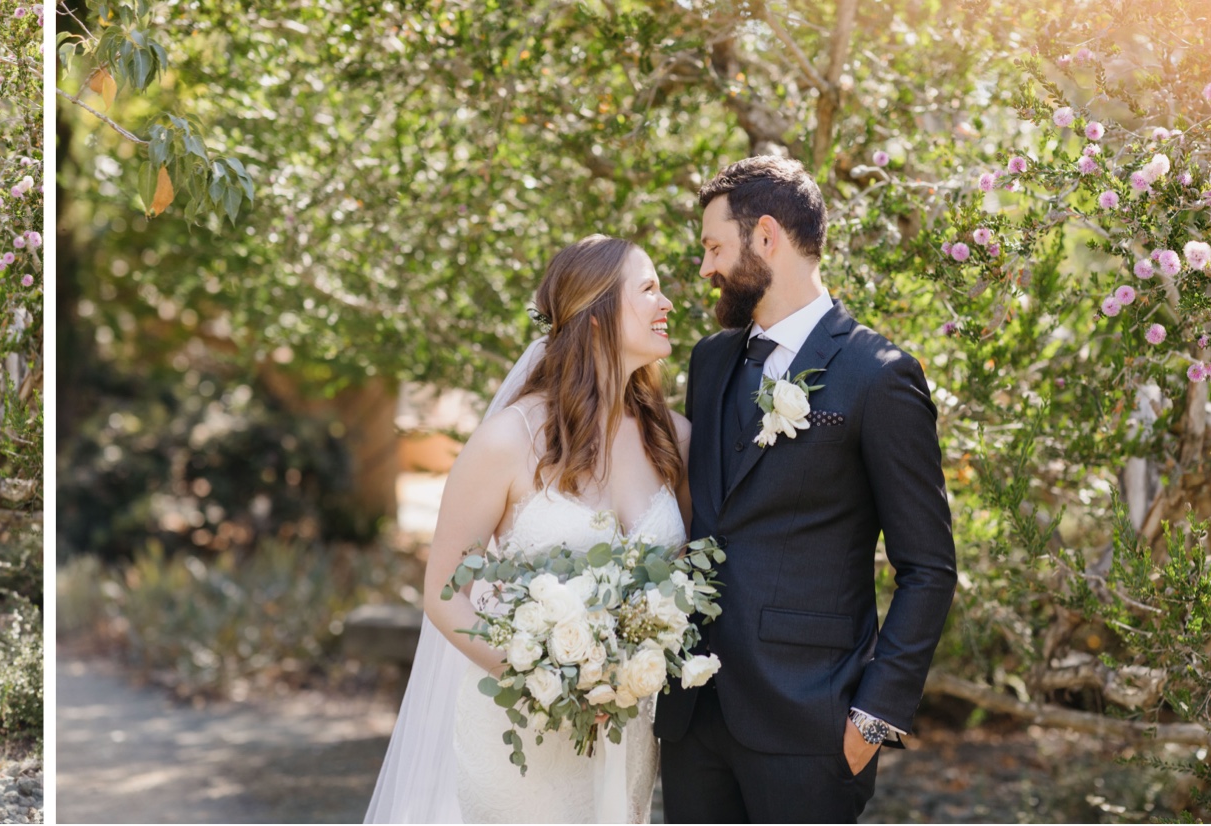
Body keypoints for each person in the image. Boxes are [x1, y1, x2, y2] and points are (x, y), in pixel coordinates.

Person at [654, 156, 957, 823]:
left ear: (766, 238)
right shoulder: (709, 362)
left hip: (810, 722)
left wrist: (874, 717)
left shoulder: (878, 376)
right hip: (693, 714)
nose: (705, 268)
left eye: (713, 247)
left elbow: (929, 567)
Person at [367, 234, 692, 823]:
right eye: (648, 289)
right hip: (521, 732)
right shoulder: (508, 441)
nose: (667, 302)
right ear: (595, 318)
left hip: (626, 732)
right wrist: (544, 676)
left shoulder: (674, 438)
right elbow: (445, 592)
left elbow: (687, 577)